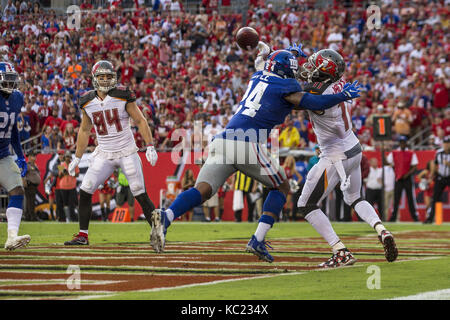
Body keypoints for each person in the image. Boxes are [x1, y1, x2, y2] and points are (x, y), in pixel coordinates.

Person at [150, 45, 363, 258]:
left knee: (203, 189)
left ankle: (166, 216)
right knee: (281, 186)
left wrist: (292, 54)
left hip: (223, 140)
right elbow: (312, 101)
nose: (295, 73)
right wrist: (342, 95)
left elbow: (273, 64)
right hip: (246, 143)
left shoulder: (258, 74)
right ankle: (258, 240)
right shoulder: (286, 86)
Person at [296, 49, 398, 267]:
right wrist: (304, 56)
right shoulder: (339, 82)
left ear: (323, 71)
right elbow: (321, 73)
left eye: (314, 64)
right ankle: (381, 229)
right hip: (354, 147)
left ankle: (340, 250)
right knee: (354, 198)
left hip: (335, 155)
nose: (310, 67)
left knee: (306, 204)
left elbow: (299, 94)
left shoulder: (316, 94)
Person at [64, 60, 158, 245]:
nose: (105, 80)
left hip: (126, 151)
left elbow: (140, 120)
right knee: (86, 189)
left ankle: (157, 231)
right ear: (94, 78)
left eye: (108, 76)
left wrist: (150, 145)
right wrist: (77, 156)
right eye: (101, 76)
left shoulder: (122, 95)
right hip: (104, 153)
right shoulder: (87, 101)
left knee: (139, 191)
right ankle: (83, 235)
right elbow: (84, 130)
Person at [0, 62, 30, 250]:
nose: (10, 84)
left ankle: (12, 237)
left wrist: (20, 155)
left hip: (3, 155)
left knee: (17, 190)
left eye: (12, 80)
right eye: (7, 79)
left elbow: (13, 131)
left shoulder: (18, 98)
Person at [386, 136, 419, 222]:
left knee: (410, 198)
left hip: (407, 178)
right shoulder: (394, 152)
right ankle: (393, 217)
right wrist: (395, 170)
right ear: (399, 143)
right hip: (398, 178)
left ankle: (415, 217)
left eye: (403, 142)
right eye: (401, 142)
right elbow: (388, 161)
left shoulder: (411, 153)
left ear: (406, 143)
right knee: (396, 199)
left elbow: (415, 166)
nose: (402, 144)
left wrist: (407, 174)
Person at [424, 136, 450, 224]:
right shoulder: (439, 153)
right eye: (445, 143)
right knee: (435, 198)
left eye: (448, 143)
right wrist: (432, 176)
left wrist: (448, 164)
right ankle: (430, 218)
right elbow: (435, 165)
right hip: (440, 177)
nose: (446, 145)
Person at [59, 151, 79, 222]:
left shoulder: (74, 164)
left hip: (72, 186)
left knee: (72, 203)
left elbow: (77, 174)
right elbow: (59, 176)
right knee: (65, 203)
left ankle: (74, 218)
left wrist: (70, 172)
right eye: (66, 156)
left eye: (68, 156)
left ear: (70, 157)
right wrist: (62, 172)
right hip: (63, 186)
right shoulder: (61, 165)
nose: (67, 158)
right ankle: (67, 218)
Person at [282, 155, 302, 221]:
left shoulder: (293, 169)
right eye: (289, 160)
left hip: (289, 188)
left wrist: (295, 184)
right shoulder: (282, 168)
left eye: (291, 160)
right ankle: (282, 216)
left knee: (288, 203)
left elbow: (300, 177)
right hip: (283, 187)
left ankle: (286, 217)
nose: (290, 162)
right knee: (282, 202)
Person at [23, 151, 41, 221]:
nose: (35, 157)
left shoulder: (34, 165)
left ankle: (28, 216)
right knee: (31, 201)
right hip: (29, 185)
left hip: (33, 185)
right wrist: (24, 182)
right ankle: (33, 217)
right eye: (33, 156)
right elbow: (23, 174)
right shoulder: (27, 165)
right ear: (29, 157)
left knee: (30, 201)